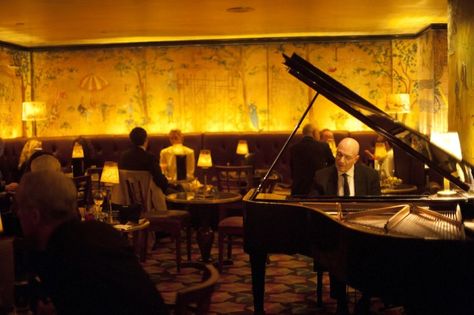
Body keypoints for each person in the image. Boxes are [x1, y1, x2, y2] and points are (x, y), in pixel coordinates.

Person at [15, 171, 169, 314]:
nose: (18, 216)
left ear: (35, 216)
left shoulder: (57, 255)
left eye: (19, 210)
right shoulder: (104, 231)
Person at [311, 137, 380, 315]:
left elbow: (377, 209)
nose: (341, 161)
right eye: (338, 155)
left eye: (347, 157)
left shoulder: (370, 176)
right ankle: (341, 301)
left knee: (374, 248)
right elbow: (313, 208)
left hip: (363, 230)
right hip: (333, 231)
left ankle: (366, 297)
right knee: (338, 248)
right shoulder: (322, 176)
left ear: (356, 159)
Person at [119, 127, 168, 193]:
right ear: (146, 139)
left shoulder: (123, 157)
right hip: (150, 198)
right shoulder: (150, 158)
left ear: (131, 140)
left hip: (128, 197)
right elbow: (160, 181)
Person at [290, 123, 334, 196]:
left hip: (297, 191)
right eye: (319, 133)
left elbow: (292, 172)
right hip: (318, 190)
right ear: (315, 132)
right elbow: (332, 165)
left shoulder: (294, 148)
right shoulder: (323, 146)